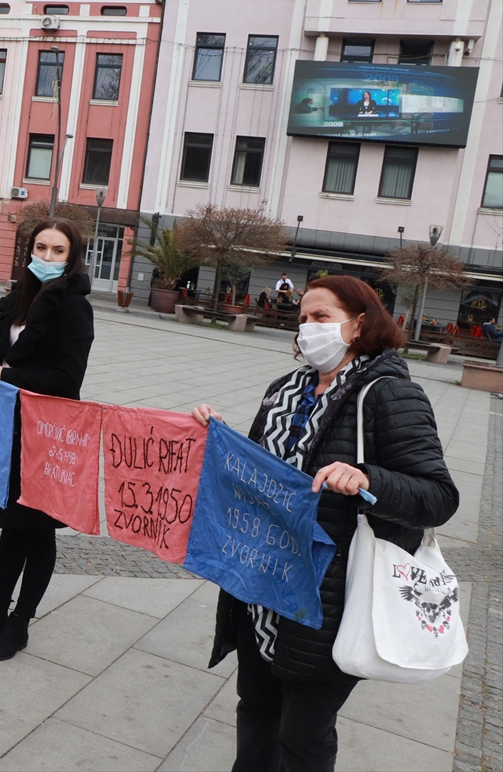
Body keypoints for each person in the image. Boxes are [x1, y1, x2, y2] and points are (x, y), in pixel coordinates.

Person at [190, 275, 458, 772]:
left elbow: (439, 497)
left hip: (329, 602)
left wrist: (367, 478)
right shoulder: (285, 390)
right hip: (261, 590)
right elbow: (254, 475)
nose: (308, 329)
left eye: (322, 318)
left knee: (305, 735)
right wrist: (216, 438)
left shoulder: (389, 394)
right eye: (302, 319)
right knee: (256, 711)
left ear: (359, 324)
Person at [0, 219, 94, 660]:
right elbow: (7, 357)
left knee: (38, 529)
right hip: (9, 428)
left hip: (47, 433)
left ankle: (20, 622)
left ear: (72, 257)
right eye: (41, 248)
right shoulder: (22, 299)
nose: (47, 257)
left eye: (58, 251)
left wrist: (5, 373)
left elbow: (67, 380)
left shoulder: (73, 306)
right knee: (11, 522)